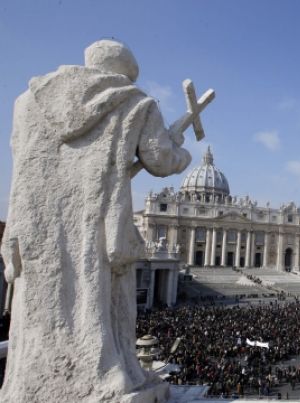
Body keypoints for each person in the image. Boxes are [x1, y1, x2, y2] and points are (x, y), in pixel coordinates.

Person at [0, 39, 192, 402]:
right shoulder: (134, 100)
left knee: (43, 304)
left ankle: (35, 380)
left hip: (37, 225)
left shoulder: (26, 103)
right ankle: (104, 373)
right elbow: (161, 160)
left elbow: (18, 161)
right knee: (98, 302)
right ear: (126, 71)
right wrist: (179, 148)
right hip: (95, 225)